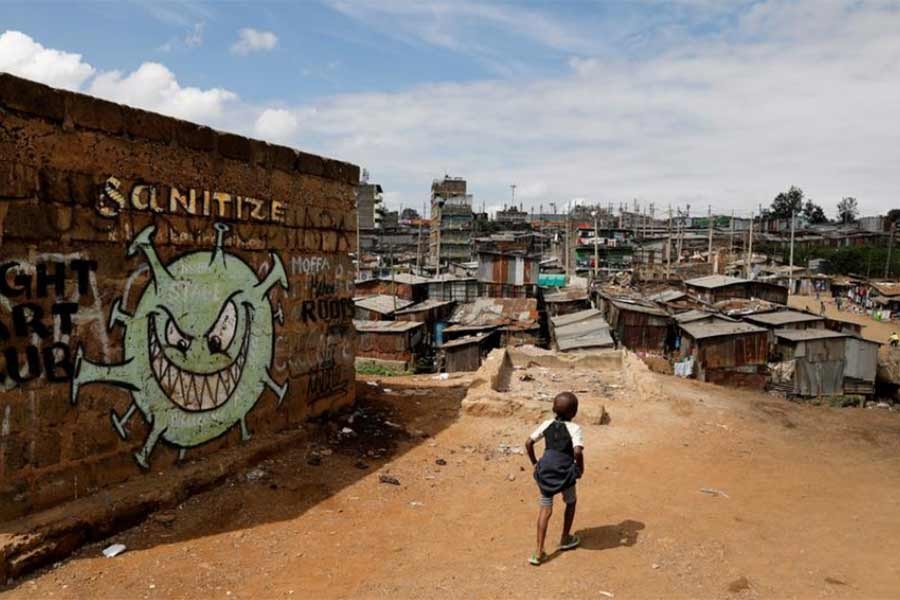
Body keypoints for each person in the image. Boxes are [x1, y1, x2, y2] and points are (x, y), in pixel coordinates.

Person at [525, 392, 585, 566]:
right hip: (564, 473)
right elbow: (577, 451)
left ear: (553, 408)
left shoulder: (546, 424)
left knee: (545, 509)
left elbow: (528, 442)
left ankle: (538, 552)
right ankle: (565, 538)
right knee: (571, 502)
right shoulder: (574, 429)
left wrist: (535, 463)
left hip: (545, 472)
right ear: (574, 412)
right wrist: (580, 468)